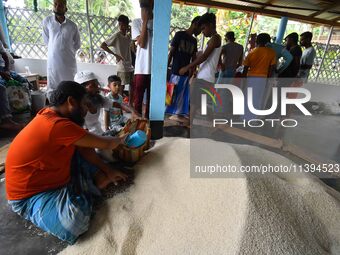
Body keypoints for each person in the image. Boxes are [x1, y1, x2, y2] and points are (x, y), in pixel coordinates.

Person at [6, 81, 129, 244]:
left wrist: (108, 170)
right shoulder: (56, 125)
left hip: (50, 177)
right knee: (75, 222)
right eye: (85, 104)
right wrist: (123, 138)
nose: (87, 110)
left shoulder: (52, 116)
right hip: (29, 196)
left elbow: (86, 148)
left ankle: (93, 181)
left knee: (82, 150)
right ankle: (88, 186)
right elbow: (107, 143)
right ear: (71, 102)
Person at [42, 0, 81, 100]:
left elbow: (77, 44)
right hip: (53, 62)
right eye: (55, 4)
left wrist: (65, 51)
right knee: (53, 86)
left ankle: (68, 107)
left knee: (69, 86)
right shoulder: (47, 21)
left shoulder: (72, 26)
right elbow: (47, 41)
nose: (57, 7)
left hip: (68, 63)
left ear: (66, 8)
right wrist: (56, 50)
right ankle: (54, 107)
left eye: (60, 5)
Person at [165, 16, 201, 121]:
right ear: (195, 24)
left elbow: (194, 58)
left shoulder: (194, 41)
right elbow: (171, 52)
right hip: (175, 70)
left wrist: (192, 71)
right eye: (200, 28)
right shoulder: (179, 35)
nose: (200, 31)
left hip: (186, 73)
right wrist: (165, 69)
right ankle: (169, 115)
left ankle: (177, 115)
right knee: (172, 94)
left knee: (181, 95)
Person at [179, 12, 222, 84]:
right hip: (204, 77)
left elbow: (204, 57)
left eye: (203, 28)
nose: (202, 32)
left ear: (211, 25)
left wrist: (187, 67)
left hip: (206, 79)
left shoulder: (215, 38)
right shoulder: (213, 39)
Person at [243, 33, 276, 120]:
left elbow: (245, 67)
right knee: (258, 98)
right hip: (262, 78)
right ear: (268, 41)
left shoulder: (252, 52)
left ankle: (244, 117)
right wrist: (268, 79)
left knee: (248, 96)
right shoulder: (271, 52)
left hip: (250, 77)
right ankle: (253, 118)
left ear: (257, 40)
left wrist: (243, 78)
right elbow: (272, 68)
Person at [100, 15, 134, 97]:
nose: (121, 27)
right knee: (120, 87)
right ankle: (120, 106)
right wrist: (115, 55)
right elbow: (103, 45)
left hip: (130, 65)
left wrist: (131, 31)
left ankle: (130, 104)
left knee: (132, 85)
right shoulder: (117, 36)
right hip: (121, 65)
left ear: (127, 25)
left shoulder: (128, 36)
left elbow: (132, 48)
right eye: (119, 24)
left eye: (123, 25)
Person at [131, 0, 154, 118]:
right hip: (141, 67)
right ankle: (138, 124)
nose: (145, 10)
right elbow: (142, 43)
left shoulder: (158, 23)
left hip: (155, 69)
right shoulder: (136, 23)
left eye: (147, 7)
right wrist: (145, 21)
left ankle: (149, 125)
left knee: (152, 101)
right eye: (143, 8)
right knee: (138, 100)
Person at [0, 40, 27, 131]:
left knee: (23, 81)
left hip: (2, 69)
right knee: (2, 87)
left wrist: (6, 69)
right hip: (1, 72)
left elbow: (5, 55)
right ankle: (6, 120)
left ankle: (23, 110)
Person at [74, 71, 112, 135]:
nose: (97, 88)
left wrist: (132, 110)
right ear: (82, 88)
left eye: (96, 84)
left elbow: (116, 104)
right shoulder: (76, 106)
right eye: (93, 85)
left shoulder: (98, 99)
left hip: (99, 133)